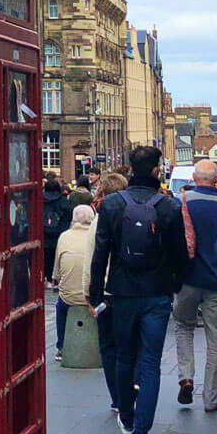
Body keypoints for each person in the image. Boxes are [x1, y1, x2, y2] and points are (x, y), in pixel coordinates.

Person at [88, 145, 187, 434]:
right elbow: (180, 255)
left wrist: (95, 295)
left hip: (121, 294)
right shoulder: (168, 207)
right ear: (157, 171)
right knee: (150, 366)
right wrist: (176, 285)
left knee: (124, 358)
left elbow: (100, 254)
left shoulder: (113, 205)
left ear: (130, 168)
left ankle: (127, 420)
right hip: (156, 295)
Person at [173, 159, 217, 412]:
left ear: (195, 178)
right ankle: (210, 397)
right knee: (216, 338)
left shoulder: (182, 203)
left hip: (187, 277)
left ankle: (186, 376)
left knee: (183, 325)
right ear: (216, 179)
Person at [90, 171, 127, 411]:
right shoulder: (135, 212)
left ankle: (118, 398)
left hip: (105, 293)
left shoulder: (99, 219)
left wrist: (92, 297)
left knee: (109, 348)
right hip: (129, 291)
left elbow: (90, 261)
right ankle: (131, 391)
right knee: (128, 346)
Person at [51, 204, 96, 361]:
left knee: (60, 306)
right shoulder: (97, 236)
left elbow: (56, 273)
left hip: (68, 297)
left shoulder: (64, 236)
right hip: (92, 297)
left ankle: (61, 346)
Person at [43, 176, 70, 286]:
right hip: (59, 235)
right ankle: (55, 279)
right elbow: (68, 218)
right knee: (57, 257)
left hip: (43, 235)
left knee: (45, 258)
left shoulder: (38, 200)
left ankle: (46, 278)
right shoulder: (63, 202)